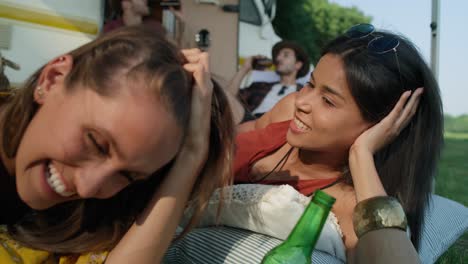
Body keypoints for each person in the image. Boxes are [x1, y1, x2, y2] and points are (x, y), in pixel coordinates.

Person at [0, 25, 234, 263]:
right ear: (53, 80)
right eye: (96, 143)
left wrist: (191, 156)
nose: (87, 188)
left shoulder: (94, 215)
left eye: (127, 176)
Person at [233, 24, 442, 261]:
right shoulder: (288, 111)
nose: (302, 102)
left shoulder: (347, 206)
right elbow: (227, 141)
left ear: (380, 125)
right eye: (310, 84)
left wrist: (361, 154)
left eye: (328, 101)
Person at [227, 40, 310, 122]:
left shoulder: (304, 94)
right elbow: (228, 98)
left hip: (280, 128)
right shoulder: (259, 86)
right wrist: (245, 68)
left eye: (285, 55)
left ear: (298, 65)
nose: (278, 59)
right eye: (278, 55)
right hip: (251, 123)